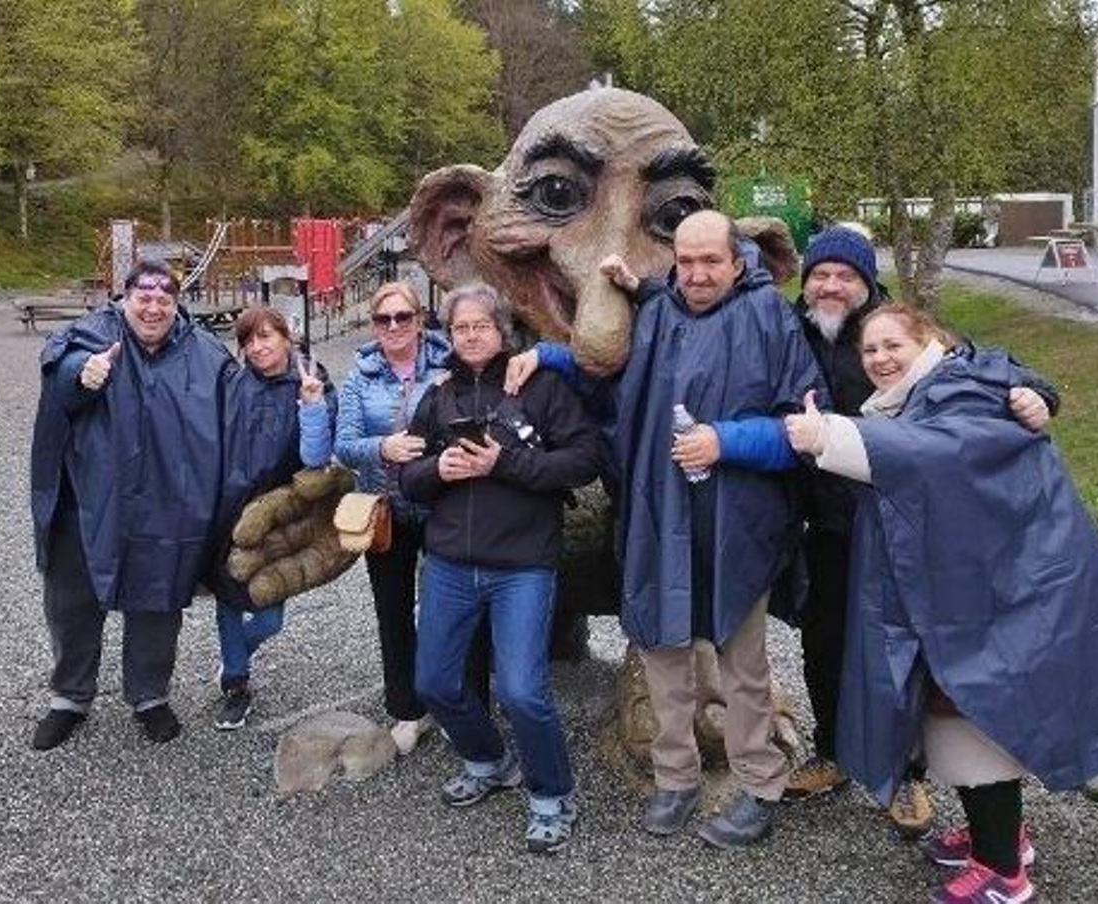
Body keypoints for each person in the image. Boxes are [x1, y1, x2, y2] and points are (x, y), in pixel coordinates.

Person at [783, 304, 1098, 904]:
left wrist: (835, 436)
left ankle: (1003, 871)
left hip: (990, 599)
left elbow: (942, 453)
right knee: (968, 713)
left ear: (930, 340)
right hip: (974, 590)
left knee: (973, 716)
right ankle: (1001, 837)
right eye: (869, 351)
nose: (879, 360)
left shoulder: (958, 390)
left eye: (892, 345)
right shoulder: (941, 388)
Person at [508, 210, 825, 846]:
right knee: (663, 653)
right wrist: (546, 355)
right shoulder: (656, 312)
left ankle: (759, 783)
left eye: (712, 260)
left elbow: (804, 426)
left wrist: (726, 440)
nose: (699, 273)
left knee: (742, 664)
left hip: (738, 520)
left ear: (737, 260)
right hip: (660, 513)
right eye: (686, 261)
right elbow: (612, 390)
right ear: (672, 262)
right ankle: (674, 777)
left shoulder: (770, 318)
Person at [782, 227, 1059, 840]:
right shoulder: (787, 331)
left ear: (865, 284)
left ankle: (907, 778)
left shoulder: (894, 333)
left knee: (906, 659)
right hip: (826, 527)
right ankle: (832, 750)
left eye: (844, 275)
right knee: (826, 645)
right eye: (819, 275)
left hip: (904, 534)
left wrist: (1037, 395)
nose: (830, 286)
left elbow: (991, 376)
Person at [399, 283, 602, 854]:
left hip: (522, 565)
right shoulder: (438, 398)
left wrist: (503, 462)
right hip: (448, 564)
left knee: (521, 690)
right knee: (434, 681)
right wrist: (442, 469)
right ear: (449, 334)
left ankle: (551, 794)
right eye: (460, 328)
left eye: (480, 326)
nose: (470, 336)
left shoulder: (539, 385)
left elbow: (583, 461)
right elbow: (408, 479)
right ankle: (488, 759)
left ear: (501, 330)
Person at [28, 260, 233, 750]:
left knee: (157, 599)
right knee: (73, 601)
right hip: (89, 498)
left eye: (165, 299)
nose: (153, 307)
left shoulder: (203, 351)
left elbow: (242, 405)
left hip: (166, 505)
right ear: (124, 297)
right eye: (144, 296)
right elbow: (61, 369)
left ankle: (149, 695)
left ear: (176, 303)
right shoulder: (93, 333)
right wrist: (86, 374)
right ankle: (69, 698)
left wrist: (306, 403)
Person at [334, 282, 488, 754]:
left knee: (460, 609)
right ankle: (406, 708)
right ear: (374, 326)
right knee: (393, 610)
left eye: (403, 317)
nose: (395, 327)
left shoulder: (449, 368)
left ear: (420, 320)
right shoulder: (359, 379)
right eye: (384, 320)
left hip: (445, 504)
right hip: (387, 509)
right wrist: (383, 447)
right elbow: (344, 446)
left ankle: (466, 701)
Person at [207, 307, 335, 731]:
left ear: (286, 337)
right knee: (228, 596)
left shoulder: (311, 379)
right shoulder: (231, 382)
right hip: (225, 506)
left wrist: (313, 404)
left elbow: (317, 458)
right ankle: (237, 684)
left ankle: (232, 657)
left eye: (266, 336)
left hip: (278, 514)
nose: (258, 347)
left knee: (267, 613)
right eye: (248, 340)